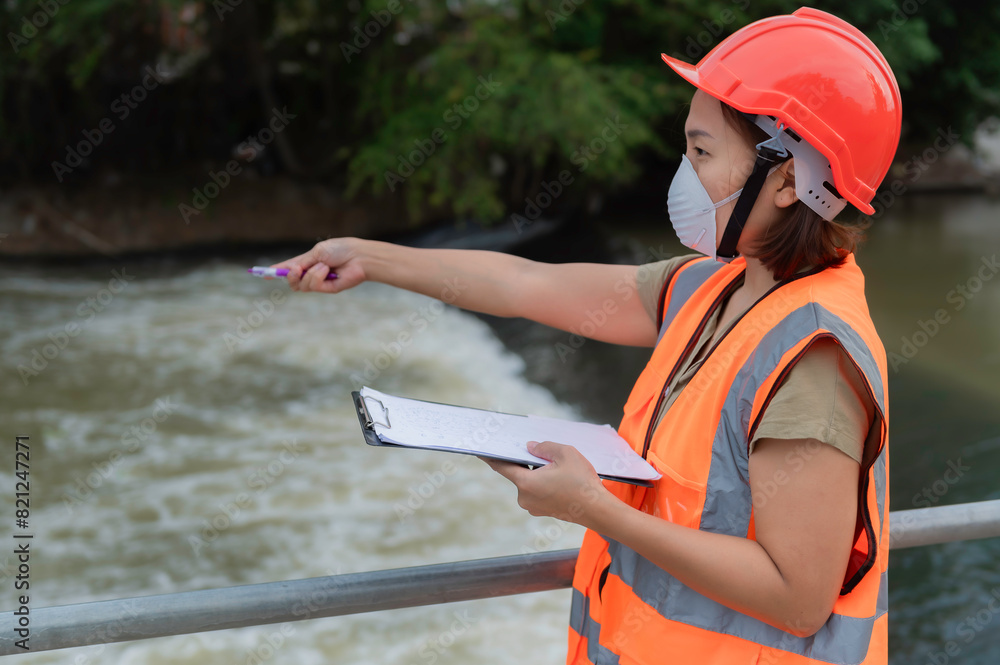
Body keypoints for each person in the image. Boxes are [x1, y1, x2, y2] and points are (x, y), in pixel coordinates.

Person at [272, 7, 896, 663]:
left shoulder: (815, 359)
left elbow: (796, 595)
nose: (684, 172)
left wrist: (596, 509)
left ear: (791, 181)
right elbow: (526, 285)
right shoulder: (713, 288)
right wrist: (373, 259)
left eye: (703, 151)